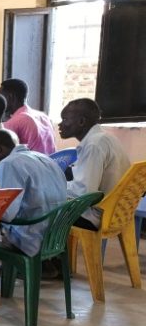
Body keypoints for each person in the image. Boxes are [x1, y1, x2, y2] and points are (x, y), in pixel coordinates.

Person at [0, 130, 68, 267]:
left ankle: (17, 268)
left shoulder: (8, 163)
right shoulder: (43, 158)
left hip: (31, 240)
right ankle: (44, 266)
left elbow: (8, 215)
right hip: (56, 238)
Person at [59, 98, 131, 229]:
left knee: (40, 207)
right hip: (119, 213)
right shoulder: (105, 138)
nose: (60, 124)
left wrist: (52, 186)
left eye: (65, 119)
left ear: (81, 122)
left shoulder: (93, 145)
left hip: (96, 216)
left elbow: (83, 193)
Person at [0, 78, 57, 155]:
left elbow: (3, 155)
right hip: (50, 161)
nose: (0, 101)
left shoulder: (14, 122)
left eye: (1, 96)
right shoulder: (43, 117)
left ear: (11, 96)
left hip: (32, 162)